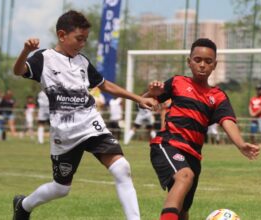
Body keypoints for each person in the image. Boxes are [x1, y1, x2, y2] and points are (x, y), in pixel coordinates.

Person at [12, 10, 156, 220]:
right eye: (79, 38)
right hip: (65, 134)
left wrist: (138, 98)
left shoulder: (82, 62)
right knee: (61, 188)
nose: (82, 44)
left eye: (85, 40)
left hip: (91, 125)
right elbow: (18, 71)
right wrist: (25, 51)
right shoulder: (44, 58)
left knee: (122, 168)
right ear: (62, 35)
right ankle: (24, 205)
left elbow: (104, 84)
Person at [144, 38, 261, 220]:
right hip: (168, 144)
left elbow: (227, 121)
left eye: (208, 61)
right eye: (197, 60)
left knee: (183, 210)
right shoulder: (177, 83)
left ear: (215, 65)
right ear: (189, 61)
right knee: (184, 176)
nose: (202, 65)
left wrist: (240, 144)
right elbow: (145, 103)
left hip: (194, 156)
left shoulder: (218, 96)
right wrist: (151, 93)